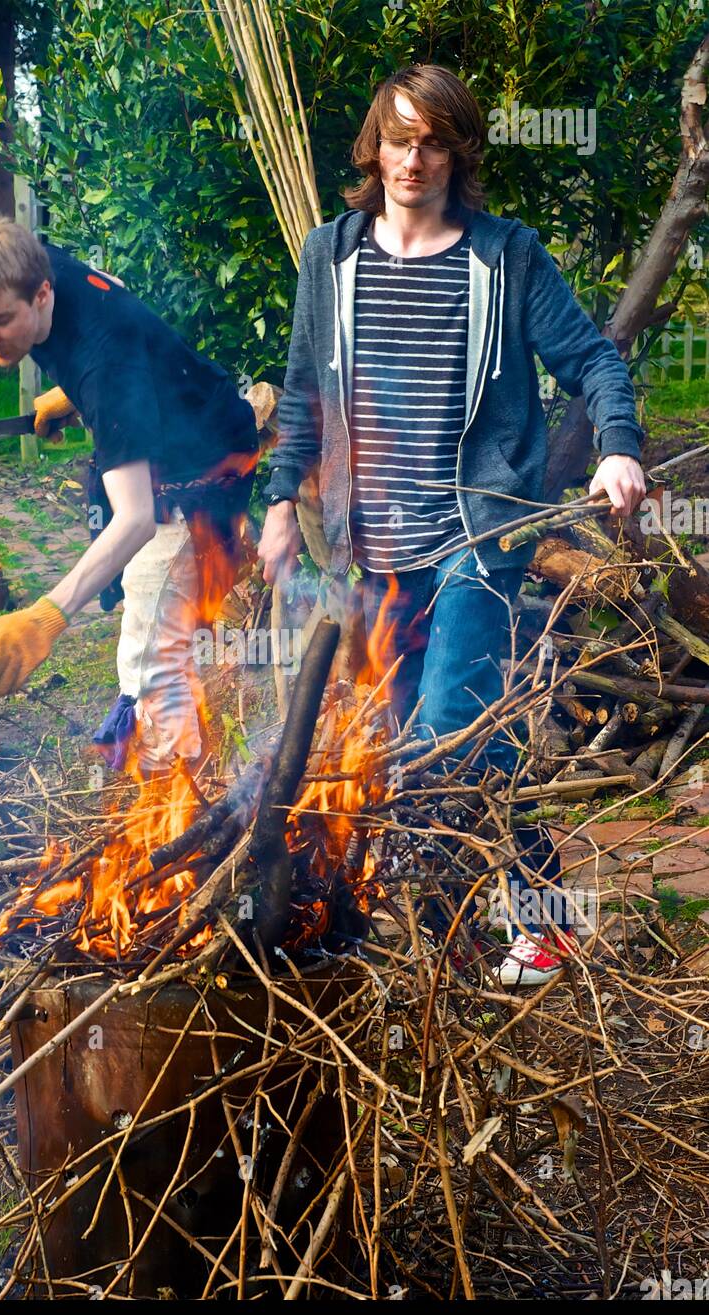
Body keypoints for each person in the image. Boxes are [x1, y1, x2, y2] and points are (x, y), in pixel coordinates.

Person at [256, 64, 647, 986]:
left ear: (458, 151)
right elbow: (305, 395)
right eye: (398, 138)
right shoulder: (331, 256)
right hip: (371, 551)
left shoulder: (504, 258)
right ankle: (473, 924)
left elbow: (593, 358)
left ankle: (515, 925)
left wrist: (619, 447)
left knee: (443, 728)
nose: (413, 159)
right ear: (374, 147)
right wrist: (279, 499)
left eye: (433, 141)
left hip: (476, 537)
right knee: (442, 739)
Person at [0, 217, 258, 776]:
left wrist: (46, 617)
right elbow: (111, 289)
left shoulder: (106, 368)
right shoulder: (32, 259)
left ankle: (174, 794)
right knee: (156, 636)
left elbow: (134, 520)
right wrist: (68, 393)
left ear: (42, 294)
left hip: (201, 476)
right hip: (163, 424)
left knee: (152, 653)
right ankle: (184, 775)